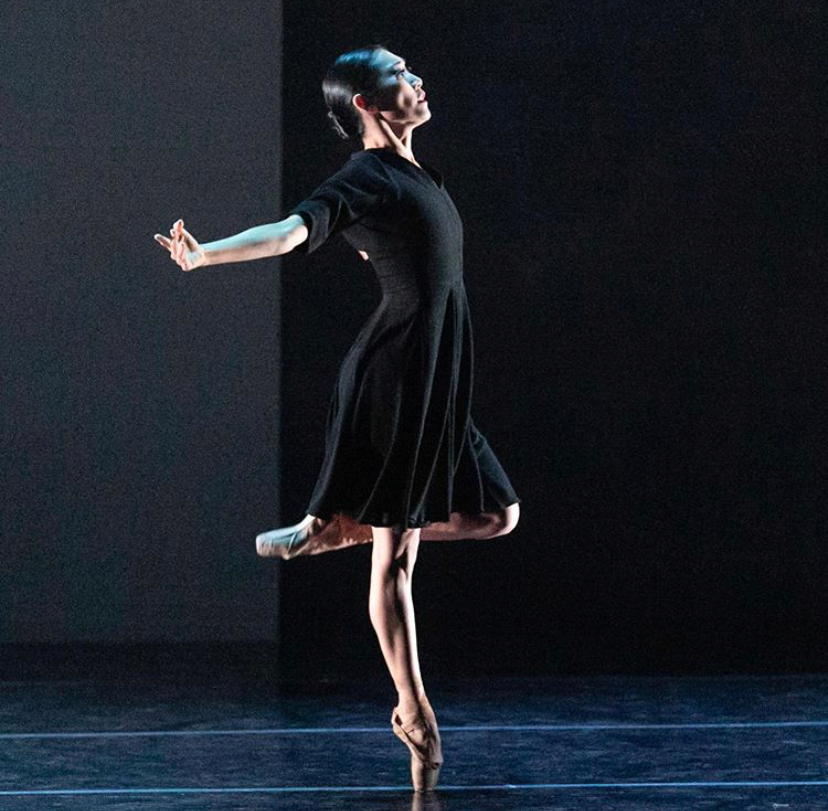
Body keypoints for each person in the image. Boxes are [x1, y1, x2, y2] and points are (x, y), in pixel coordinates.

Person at [154, 44, 521, 793]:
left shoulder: (420, 177)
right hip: (396, 378)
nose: (417, 80)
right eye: (400, 76)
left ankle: (344, 528)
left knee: (496, 515)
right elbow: (293, 231)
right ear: (367, 104)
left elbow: (391, 249)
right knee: (399, 558)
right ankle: (413, 711)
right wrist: (205, 255)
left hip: (439, 377)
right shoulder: (364, 176)